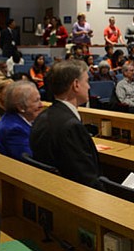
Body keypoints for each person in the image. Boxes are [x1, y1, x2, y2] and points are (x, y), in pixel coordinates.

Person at [30, 59, 103, 189]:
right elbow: (86, 180)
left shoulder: (42, 116)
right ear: (76, 84)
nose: (89, 86)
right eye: (86, 81)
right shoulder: (71, 127)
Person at [0, 80, 43, 161]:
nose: (41, 105)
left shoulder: (12, 118)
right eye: (36, 101)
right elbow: (30, 160)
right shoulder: (14, 130)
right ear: (21, 107)